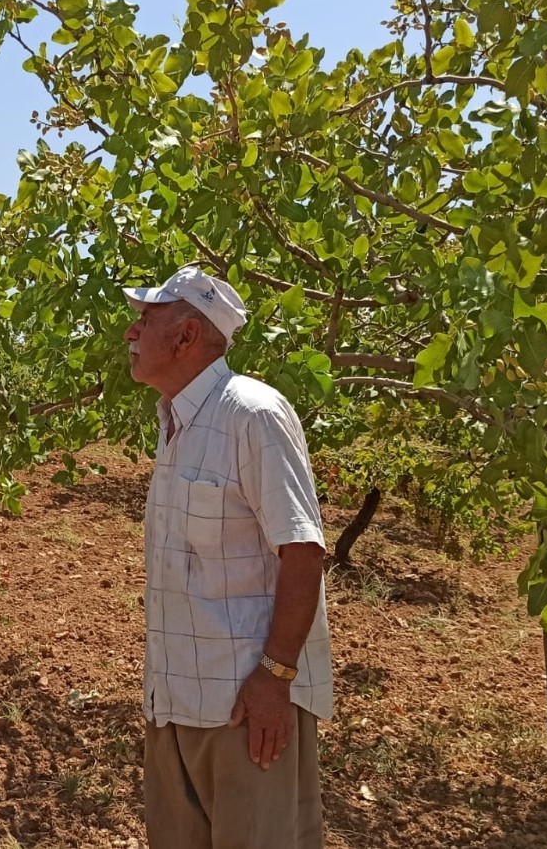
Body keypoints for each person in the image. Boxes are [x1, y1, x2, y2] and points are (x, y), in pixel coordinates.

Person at [121, 266, 332, 849]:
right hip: (179, 703)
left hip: (246, 712)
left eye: (146, 318)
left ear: (187, 337)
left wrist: (275, 679)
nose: (130, 332)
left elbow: (303, 550)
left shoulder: (252, 414)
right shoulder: (176, 422)